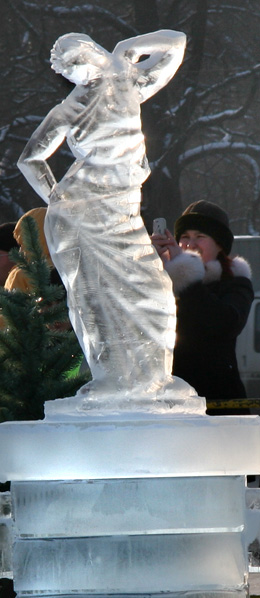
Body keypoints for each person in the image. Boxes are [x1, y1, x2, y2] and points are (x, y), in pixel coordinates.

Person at [17, 31, 197, 411]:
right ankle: (113, 381)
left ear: (91, 52)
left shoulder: (128, 81)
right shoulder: (72, 107)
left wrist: (129, 49)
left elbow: (175, 43)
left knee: (155, 293)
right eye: (68, 71)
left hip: (122, 210)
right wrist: (58, 199)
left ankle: (153, 378)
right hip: (82, 214)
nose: (76, 73)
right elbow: (30, 159)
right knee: (94, 297)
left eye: (77, 61)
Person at [152, 200, 253, 410]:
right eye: (185, 237)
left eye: (200, 236)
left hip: (217, 405)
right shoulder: (162, 281)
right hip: (168, 404)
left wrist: (185, 276)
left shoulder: (235, 282)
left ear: (220, 245)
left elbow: (225, 322)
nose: (190, 244)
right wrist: (149, 268)